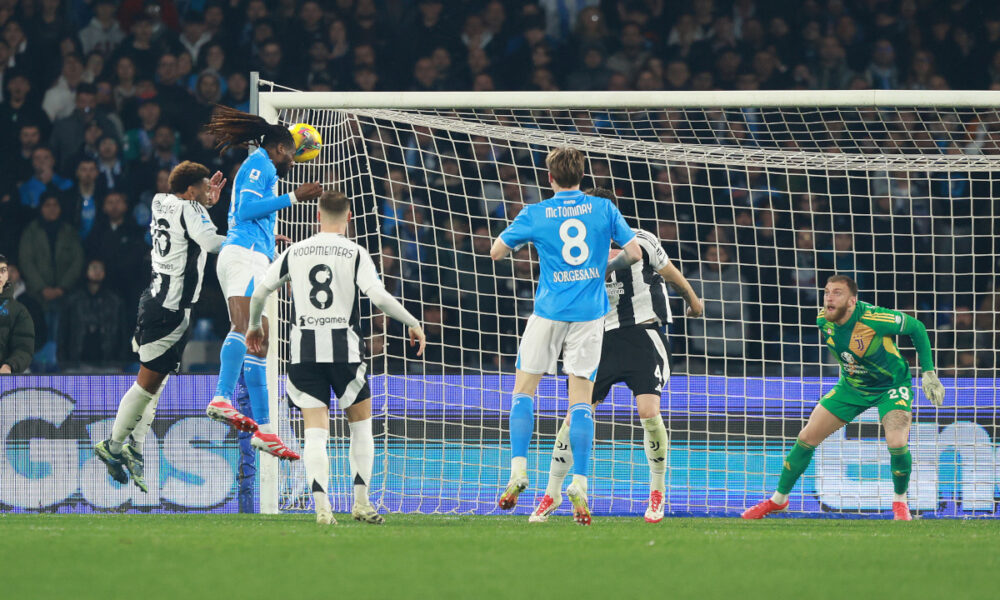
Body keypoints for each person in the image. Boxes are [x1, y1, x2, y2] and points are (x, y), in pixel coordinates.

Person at [246, 190, 426, 525]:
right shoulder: (354, 252)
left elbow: (259, 292)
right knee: (361, 428)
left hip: (304, 351)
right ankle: (361, 503)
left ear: (316, 216)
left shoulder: (295, 251)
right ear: (349, 217)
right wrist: (412, 322)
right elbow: (379, 297)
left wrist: (255, 326)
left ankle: (322, 509)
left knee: (316, 433)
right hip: (345, 349)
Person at [530, 187, 704, 524]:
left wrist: (693, 300)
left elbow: (671, 274)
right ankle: (551, 494)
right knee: (574, 417)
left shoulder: (642, 240)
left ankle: (656, 493)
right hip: (597, 340)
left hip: (643, 333)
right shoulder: (574, 251)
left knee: (648, 410)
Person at [489, 147, 641, 525]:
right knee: (580, 402)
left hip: (547, 313)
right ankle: (579, 481)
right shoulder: (602, 209)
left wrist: (532, 241)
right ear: (582, 175)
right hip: (589, 316)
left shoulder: (535, 213)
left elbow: (496, 252)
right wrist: (604, 267)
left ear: (550, 178)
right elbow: (635, 252)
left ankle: (519, 470)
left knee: (524, 391)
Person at [742, 275, 945, 521]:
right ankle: (778, 501)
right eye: (827, 291)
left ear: (852, 301)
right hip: (851, 387)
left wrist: (929, 372)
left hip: (890, 387)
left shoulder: (873, 318)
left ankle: (900, 502)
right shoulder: (822, 320)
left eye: (837, 292)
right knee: (806, 437)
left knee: (896, 443)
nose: (829, 297)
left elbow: (917, 328)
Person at [95, 161, 228, 492]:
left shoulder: (159, 200)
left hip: (154, 300)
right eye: (204, 188)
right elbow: (212, 244)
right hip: (169, 310)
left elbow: (189, 218)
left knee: (156, 384)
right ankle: (112, 446)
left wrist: (204, 202)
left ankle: (135, 449)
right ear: (191, 191)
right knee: (145, 386)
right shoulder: (190, 210)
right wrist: (254, 243)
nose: (209, 193)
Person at [201, 106, 322, 460]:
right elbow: (248, 211)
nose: (293, 165)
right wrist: (295, 197)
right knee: (244, 326)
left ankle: (266, 430)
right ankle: (222, 396)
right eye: (294, 157)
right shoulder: (262, 163)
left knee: (260, 341)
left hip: (254, 252)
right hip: (242, 254)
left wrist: (271, 238)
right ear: (282, 149)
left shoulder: (262, 166)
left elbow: (248, 212)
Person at [0, 254, 35, 374]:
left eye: (3, 270)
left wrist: (9, 366)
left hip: (5, 378)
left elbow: (24, 347)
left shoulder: (19, 311)